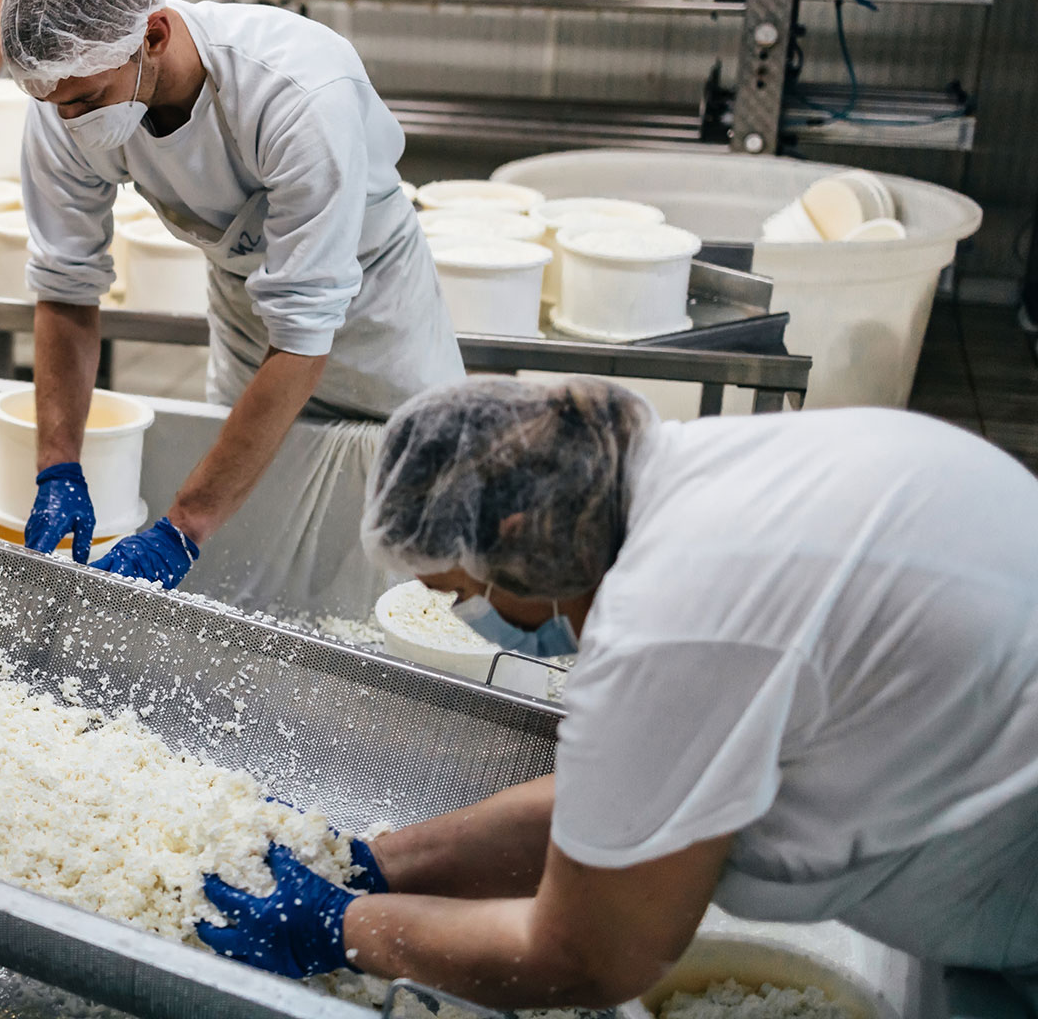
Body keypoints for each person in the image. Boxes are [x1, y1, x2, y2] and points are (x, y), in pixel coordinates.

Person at [194, 376, 1038, 1010]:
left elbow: (590, 955)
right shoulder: (686, 477)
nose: (469, 618)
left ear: (517, 540)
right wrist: (376, 865)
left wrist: (343, 928)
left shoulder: (673, 617)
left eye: (463, 595)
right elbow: (624, 802)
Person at [0, 0, 463, 591]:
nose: (69, 121)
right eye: (56, 105)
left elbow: (303, 333)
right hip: (248, 313)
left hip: (377, 318)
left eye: (87, 100)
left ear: (153, 36)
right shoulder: (67, 95)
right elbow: (66, 286)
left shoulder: (298, 92)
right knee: (257, 542)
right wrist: (57, 466)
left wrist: (180, 529)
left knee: (419, 530)